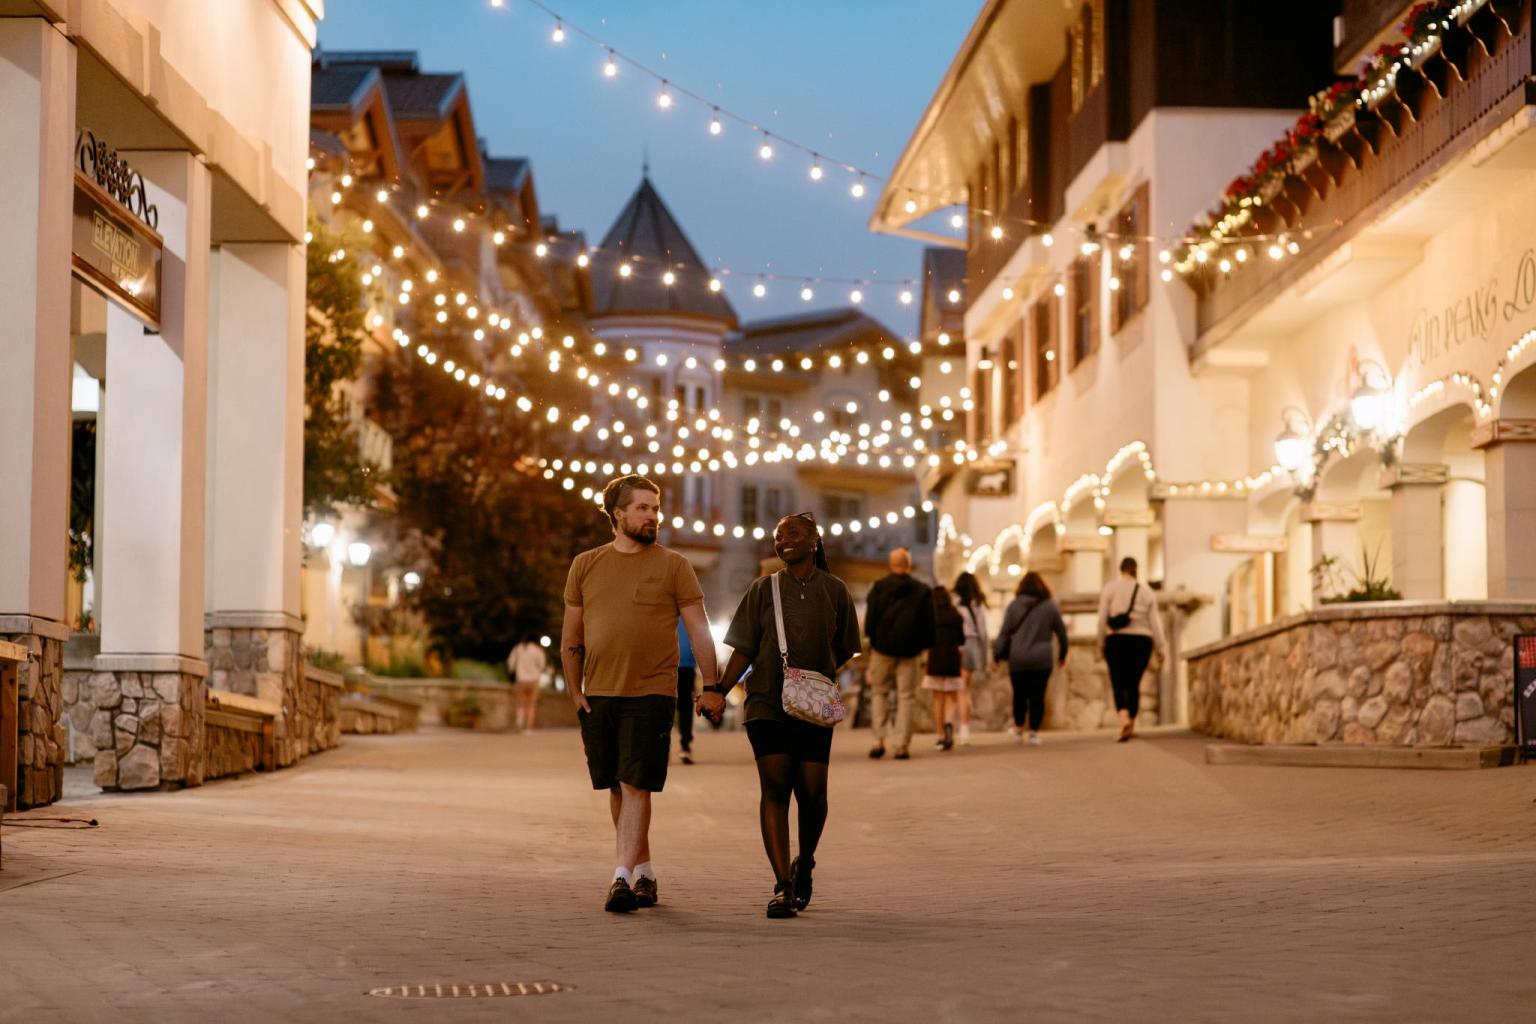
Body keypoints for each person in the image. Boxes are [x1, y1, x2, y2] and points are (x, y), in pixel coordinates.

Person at [562, 475, 717, 913]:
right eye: (644, 508)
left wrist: (713, 685)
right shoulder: (585, 565)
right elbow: (571, 635)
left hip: (652, 691)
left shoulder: (674, 565)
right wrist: (575, 692)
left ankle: (620, 878)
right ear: (619, 515)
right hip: (600, 693)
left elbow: (699, 629)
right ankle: (644, 872)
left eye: (656, 508)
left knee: (636, 784)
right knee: (617, 786)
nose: (653, 516)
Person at [700, 513, 861, 919]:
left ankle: (804, 861)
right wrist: (718, 689)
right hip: (766, 702)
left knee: (813, 795)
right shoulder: (763, 589)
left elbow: (843, 649)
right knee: (775, 785)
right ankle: (781, 886)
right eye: (777, 536)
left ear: (814, 540)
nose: (783, 541)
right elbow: (744, 649)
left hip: (814, 706)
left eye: (792, 534)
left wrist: (812, 679)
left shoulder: (836, 591)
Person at [862, 547, 935, 760]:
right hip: (910, 651)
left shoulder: (878, 587)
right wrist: (924, 648)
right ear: (908, 565)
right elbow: (929, 625)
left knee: (879, 693)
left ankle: (878, 740)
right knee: (906, 696)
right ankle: (901, 745)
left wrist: (873, 641)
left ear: (891, 564)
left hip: (882, 649)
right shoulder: (922, 590)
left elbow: (870, 621)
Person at [993, 571, 1068, 745]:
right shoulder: (1050, 606)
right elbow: (1062, 634)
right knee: (1037, 696)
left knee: (1019, 695)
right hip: (1042, 659)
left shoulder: (1013, 606)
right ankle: (1033, 732)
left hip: (1018, 658)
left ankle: (1019, 729)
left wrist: (996, 655)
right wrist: (1062, 655)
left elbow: (1004, 633)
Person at [1097, 557, 1166, 742]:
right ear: (1136, 570)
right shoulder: (1146, 591)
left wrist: (1100, 642)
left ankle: (1123, 719)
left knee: (1118, 681)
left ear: (1121, 570)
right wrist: (1161, 646)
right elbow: (1155, 622)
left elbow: (1102, 617)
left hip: (1116, 640)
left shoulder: (1110, 588)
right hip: (1141, 641)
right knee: (1134, 681)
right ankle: (1132, 723)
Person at [922, 586, 966, 751]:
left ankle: (940, 736)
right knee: (952, 697)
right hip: (953, 659)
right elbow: (962, 641)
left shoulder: (930, 616)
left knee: (937, 699)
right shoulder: (956, 615)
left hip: (935, 659)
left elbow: (925, 639)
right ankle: (949, 721)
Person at [951, 572, 989, 745]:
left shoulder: (954, 601)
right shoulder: (977, 603)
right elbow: (983, 632)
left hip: (958, 644)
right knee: (966, 689)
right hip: (973, 645)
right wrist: (985, 654)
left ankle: (962, 729)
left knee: (960, 690)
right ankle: (965, 729)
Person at [507, 634, 547, 732]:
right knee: (531, 704)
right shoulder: (538, 650)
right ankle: (528, 728)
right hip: (534, 680)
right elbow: (542, 666)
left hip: (521, 679)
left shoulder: (517, 649)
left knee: (521, 703)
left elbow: (511, 664)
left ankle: (519, 723)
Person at [675, 618, 698, 765]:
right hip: (663, 665)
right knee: (662, 705)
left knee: (685, 706)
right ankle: (662, 745)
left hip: (686, 667)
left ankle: (685, 744)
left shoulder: (689, 614)